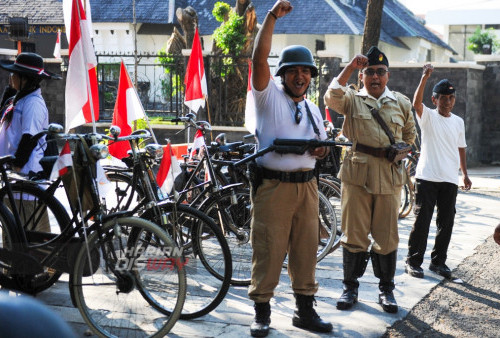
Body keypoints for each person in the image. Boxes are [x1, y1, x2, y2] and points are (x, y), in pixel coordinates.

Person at [247, 1, 332, 336]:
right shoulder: (268, 97)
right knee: (268, 248)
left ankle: (304, 311)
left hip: (308, 187)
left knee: (306, 249)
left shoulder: (312, 110)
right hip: (274, 187)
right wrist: (271, 18)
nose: (301, 76)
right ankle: (262, 311)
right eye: (294, 71)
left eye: (306, 71)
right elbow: (258, 58)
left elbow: (323, 146)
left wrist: (321, 148)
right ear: (282, 75)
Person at [323, 47, 416, 314]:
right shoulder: (352, 98)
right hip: (357, 176)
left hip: (389, 174)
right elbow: (331, 96)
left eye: (380, 72)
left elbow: (410, 136)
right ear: (362, 76)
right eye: (370, 72)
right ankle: (350, 287)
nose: (375, 77)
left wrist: (401, 150)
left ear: (388, 75)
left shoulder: (401, 102)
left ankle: (386, 290)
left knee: (387, 236)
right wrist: (350, 66)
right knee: (354, 234)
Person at [405, 64, 472, 280]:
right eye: (443, 98)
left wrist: (465, 174)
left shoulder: (458, 122)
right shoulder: (429, 118)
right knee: (422, 221)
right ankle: (413, 261)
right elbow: (416, 103)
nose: (448, 102)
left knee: (446, 222)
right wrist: (424, 77)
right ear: (435, 100)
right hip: (427, 177)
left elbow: (461, 148)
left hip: (449, 180)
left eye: (451, 98)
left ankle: (438, 262)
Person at [0, 52, 61, 232]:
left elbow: (30, 137)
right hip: (14, 179)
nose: (11, 77)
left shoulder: (33, 103)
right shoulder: (20, 99)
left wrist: (17, 165)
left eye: (15, 75)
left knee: (31, 233)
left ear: (25, 79)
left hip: (25, 178)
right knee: (13, 233)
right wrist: (10, 91)